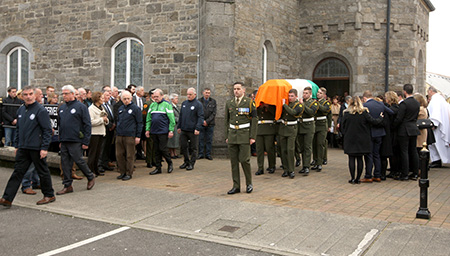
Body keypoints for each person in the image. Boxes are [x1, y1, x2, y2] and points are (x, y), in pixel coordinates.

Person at [0, 86, 55, 208]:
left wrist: (44, 148)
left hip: (37, 148)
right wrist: (17, 146)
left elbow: (47, 130)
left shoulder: (40, 110)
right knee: (17, 173)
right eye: (25, 94)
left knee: (43, 172)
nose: (28, 97)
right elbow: (19, 129)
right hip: (23, 148)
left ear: (35, 95)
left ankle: (49, 194)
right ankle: (7, 198)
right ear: (22, 96)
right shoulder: (20, 110)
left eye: (31, 94)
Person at [56, 85, 95, 195]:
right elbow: (60, 124)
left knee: (78, 160)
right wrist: (60, 139)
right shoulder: (62, 107)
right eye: (63, 94)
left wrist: (86, 141)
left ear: (73, 94)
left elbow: (87, 125)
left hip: (76, 139)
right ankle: (67, 185)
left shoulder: (80, 107)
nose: (64, 96)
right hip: (64, 139)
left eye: (66, 93)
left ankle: (90, 176)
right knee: (65, 163)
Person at [224, 82, 257, 194]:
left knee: (244, 160)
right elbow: (226, 121)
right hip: (233, 134)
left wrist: (252, 136)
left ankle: (249, 184)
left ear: (243, 90)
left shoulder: (249, 103)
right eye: (234, 89)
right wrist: (227, 135)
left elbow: (254, 120)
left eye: (238, 89)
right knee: (234, 162)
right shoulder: (229, 103)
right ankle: (236, 185)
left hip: (244, 135)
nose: (236, 91)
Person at [342, 96, 383, 184]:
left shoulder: (346, 113)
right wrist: (380, 117)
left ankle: (352, 178)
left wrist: (346, 133)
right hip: (362, 138)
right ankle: (358, 178)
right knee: (360, 158)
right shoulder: (364, 112)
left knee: (351, 159)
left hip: (350, 138)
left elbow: (343, 126)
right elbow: (373, 121)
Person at [361, 90, 393, 183]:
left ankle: (368, 175)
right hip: (380, 133)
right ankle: (377, 175)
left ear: (364, 98)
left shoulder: (365, 106)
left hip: (369, 132)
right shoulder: (380, 104)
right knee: (377, 154)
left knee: (369, 155)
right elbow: (391, 112)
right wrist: (382, 118)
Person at [393, 84, 420, 181]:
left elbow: (399, 118)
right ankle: (415, 173)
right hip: (413, 128)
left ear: (404, 92)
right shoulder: (417, 103)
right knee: (413, 151)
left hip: (404, 129)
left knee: (404, 152)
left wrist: (394, 126)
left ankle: (405, 174)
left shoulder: (404, 104)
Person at [146, 89, 175, 175]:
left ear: (162, 96)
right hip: (154, 131)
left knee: (163, 149)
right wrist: (147, 129)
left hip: (163, 131)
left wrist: (171, 130)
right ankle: (158, 167)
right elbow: (148, 119)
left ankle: (169, 163)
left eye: (157, 97)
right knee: (156, 150)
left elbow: (172, 119)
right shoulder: (152, 105)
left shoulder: (167, 105)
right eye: (154, 97)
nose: (155, 98)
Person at [115, 90, 143, 181]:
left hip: (130, 135)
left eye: (128, 98)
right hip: (120, 135)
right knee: (119, 155)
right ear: (121, 99)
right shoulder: (120, 108)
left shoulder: (135, 109)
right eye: (124, 99)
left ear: (131, 98)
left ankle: (129, 172)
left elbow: (139, 123)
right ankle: (122, 172)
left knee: (129, 155)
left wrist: (138, 136)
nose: (126, 100)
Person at [278, 89, 303, 178]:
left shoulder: (298, 105)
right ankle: (285, 169)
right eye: (289, 96)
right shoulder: (286, 104)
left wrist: (284, 105)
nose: (290, 98)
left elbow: (293, 113)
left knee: (290, 149)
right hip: (283, 128)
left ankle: (291, 170)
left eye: (292, 96)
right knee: (283, 150)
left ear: (296, 96)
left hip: (292, 128)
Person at [177, 88, 204, 170]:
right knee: (183, 146)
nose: (188, 96)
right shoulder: (184, 103)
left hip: (193, 130)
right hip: (184, 129)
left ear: (194, 95)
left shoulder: (198, 104)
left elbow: (200, 117)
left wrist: (197, 128)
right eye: (187, 94)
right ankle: (186, 161)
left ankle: (192, 163)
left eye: (190, 94)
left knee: (193, 148)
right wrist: (179, 126)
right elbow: (181, 116)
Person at [297, 87, 319, 176]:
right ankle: (303, 165)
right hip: (301, 126)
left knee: (307, 147)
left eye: (306, 93)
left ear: (310, 94)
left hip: (309, 126)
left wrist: (303, 105)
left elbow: (311, 112)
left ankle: (306, 166)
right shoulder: (301, 103)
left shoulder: (314, 103)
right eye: (304, 93)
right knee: (301, 147)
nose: (304, 95)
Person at [427, 86, 450, 168]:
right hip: (441, 124)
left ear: (430, 91)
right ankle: (437, 159)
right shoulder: (440, 99)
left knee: (434, 143)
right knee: (436, 144)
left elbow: (436, 112)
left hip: (437, 126)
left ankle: (436, 160)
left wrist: (434, 123)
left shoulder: (435, 99)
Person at [87, 92, 109, 177]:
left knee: (98, 153)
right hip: (94, 133)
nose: (103, 100)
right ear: (97, 98)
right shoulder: (91, 109)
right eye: (102, 98)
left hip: (101, 132)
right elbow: (91, 122)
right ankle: (90, 171)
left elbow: (105, 118)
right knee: (93, 153)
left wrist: (106, 121)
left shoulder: (102, 108)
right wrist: (102, 120)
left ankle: (96, 170)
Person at [311, 87, 331, 172]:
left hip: (322, 125)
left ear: (324, 95)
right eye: (318, 93)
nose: (318, 94)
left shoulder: (326, 103)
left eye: (320, 93)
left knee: (320, 143)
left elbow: (325, 110)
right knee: (314, 144)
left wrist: (329, 126)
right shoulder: (314, 102)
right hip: (315, 124)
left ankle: (320, 163)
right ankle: (315, 161)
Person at [254, 102, 277, 175]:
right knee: (259, 149)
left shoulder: (272, 105)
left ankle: (272, 166)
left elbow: (276, 114)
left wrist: (267, 106)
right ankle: (260, 168)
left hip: (269, 129)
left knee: (269, 148)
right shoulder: (257, 105)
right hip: (259, 129)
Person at [98, 86, 116, 172]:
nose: (108, 97)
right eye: (106, 96)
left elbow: (112, 116)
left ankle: (106, 163)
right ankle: (100, 164)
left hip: (111, 130)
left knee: (108, 147)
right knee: (102, 148)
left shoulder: (110, 105)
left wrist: (113, 124)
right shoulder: (101, 106)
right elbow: (103, 117)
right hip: (104, 129)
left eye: (109, 96)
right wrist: (109, 125)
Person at [198, 88, 217, 160]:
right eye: (206, 92)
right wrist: (202, 121)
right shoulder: (199, 101)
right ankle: (200, 154)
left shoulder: (213, 101)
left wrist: (207, 121)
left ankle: (208, 154)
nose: (207, 94)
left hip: (210, 124)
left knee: (209, 139)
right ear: (203, 93)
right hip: (201, 123)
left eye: (208, 93)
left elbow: (214, 113)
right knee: (201, 139)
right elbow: (198, 112)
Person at [133, 86, 146, 160]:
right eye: (142, 90)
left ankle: (140, 153)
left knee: (141, 138)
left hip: (142, 121)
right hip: (134, 121)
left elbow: (144, 109)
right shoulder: (133, 99)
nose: (143, 92)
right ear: (137, 91)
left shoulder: (143, 100)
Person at [167, 93, 180, 159]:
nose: (177, 100)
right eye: (176, 98)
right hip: (173, 124)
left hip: (177, 125)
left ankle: (175, 152)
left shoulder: (176, 106)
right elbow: (171, 116)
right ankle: (171, 153)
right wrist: (178, 119)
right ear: (172, 99)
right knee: (172, 140)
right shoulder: (170, 106)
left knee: (175, 139)